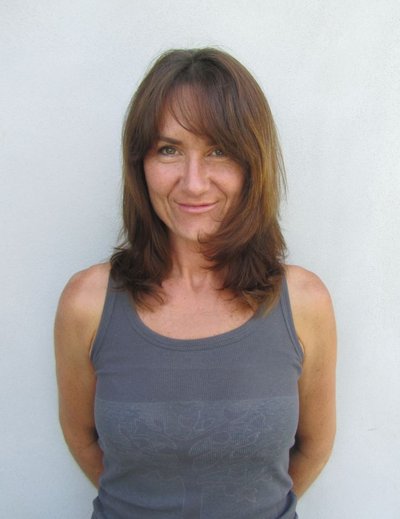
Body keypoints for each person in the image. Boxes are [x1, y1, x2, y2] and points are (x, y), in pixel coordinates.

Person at [54, 47, 336, 519]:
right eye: (169, 150)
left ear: (252, 164)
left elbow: (314, 446)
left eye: (218, 150)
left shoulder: (305, 302)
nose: (194, 182)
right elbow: (82, 438)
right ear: (140, 164)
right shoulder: (87, 303)